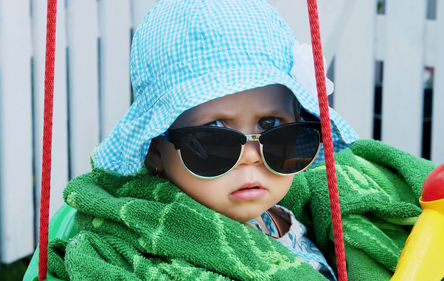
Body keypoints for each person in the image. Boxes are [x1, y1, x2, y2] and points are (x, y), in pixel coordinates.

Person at [45, 0, 368, 280]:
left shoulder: (286, 214)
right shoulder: (150, 250)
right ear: (155, 153)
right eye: (215, 137)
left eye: (273, 125)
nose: (252, 156)